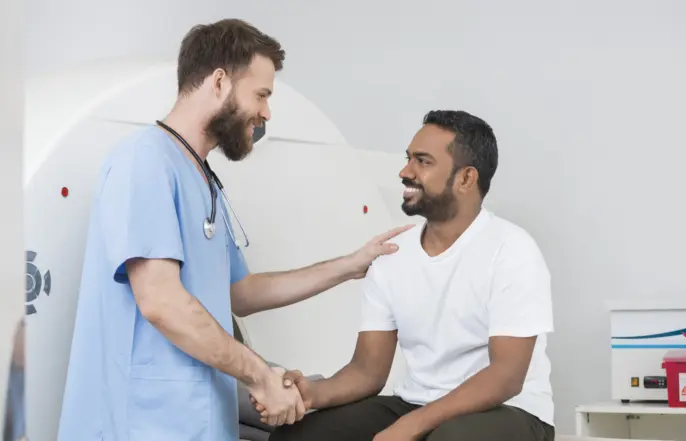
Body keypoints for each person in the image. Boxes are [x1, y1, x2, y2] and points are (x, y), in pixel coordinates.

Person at [56, 18, 411, 441]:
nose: (266, 112)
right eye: (261, 94)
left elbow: (240, 294)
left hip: (199, 419)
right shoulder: (145, 161)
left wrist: (350, 266)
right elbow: (160, 301)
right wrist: (260, 376)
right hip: (141, 421)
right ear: (220, 82)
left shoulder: (202, 178)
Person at [259, 110, 556, 441]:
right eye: (408, 159)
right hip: (417, 402)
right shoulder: (393, 255)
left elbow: (506, 377)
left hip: (512, 411)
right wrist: (312, 393)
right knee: (299, 437)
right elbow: (367, 371)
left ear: (466, 178)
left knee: (448, 438)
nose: (405, 171)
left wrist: (411, 426)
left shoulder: (511, 250)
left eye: (423, 162)